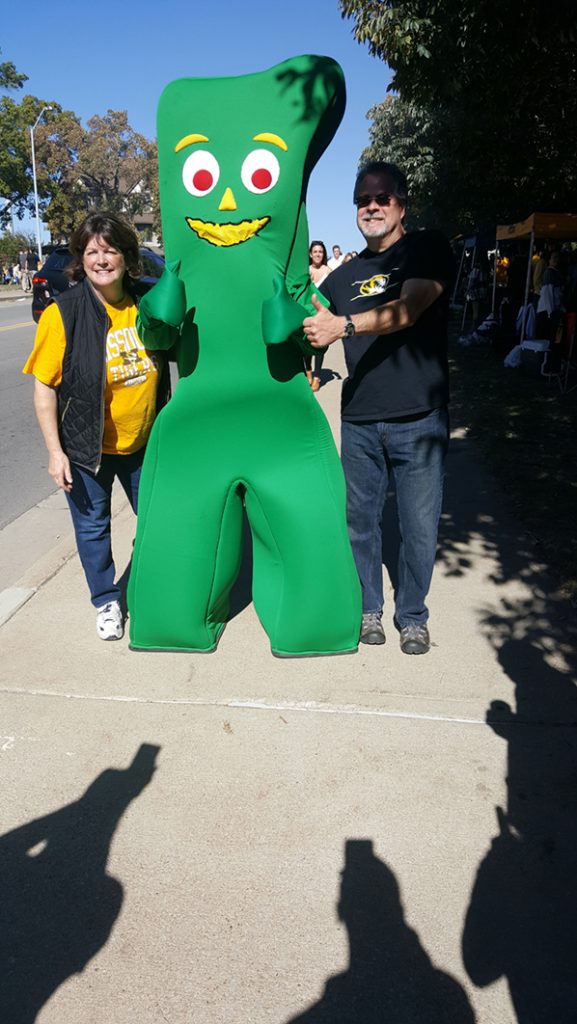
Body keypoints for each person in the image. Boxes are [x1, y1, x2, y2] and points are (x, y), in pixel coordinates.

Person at [303, 160, 453, 655]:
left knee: (417, 528)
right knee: (361, 524)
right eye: (363, 199)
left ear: (401, 203)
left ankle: (412, 615)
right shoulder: (344, 277)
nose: (371, 206)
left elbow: (408, 309)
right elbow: (310, 321)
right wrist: (310, 362)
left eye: (382, 197)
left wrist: (343, 328)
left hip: (419, 419)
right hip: (361, 420)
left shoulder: (426, 249)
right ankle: (369, 608)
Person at [23, 211, 170, 641]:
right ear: (80, 260)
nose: (101, 259)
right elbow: (44, 388)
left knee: (160, 519)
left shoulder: (147, 301)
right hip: (87, 446)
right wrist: (55, 452)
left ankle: (150, 584)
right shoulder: (62, 313)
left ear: (127, 256)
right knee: (92, 528)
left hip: (147, 441)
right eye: (91, 252)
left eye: (109, 250)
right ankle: (106, 600)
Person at [306, 240, 331, 391]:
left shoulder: (328, 271)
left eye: (320, 252)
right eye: (315, 251)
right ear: (310, 254)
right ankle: (308, 371)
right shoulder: (306, 270)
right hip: (308, 311)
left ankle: (317, 377)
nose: (318, 254)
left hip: (323, 313)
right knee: (307, 343)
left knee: (321, 344)